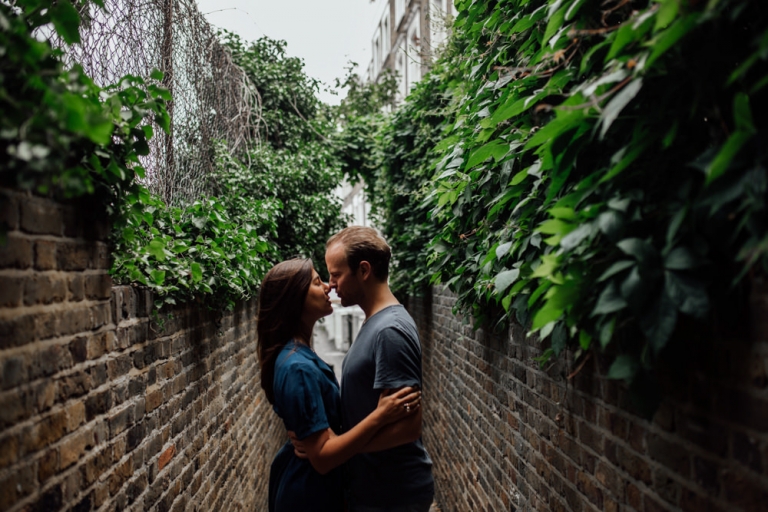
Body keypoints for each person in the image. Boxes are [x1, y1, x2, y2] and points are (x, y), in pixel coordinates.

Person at [257, 258, 422, 512]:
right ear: (295, 299)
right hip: (308, 494)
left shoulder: (299, 353)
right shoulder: (297, 367)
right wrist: (381, 415)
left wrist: (332, 439)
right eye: (317, 282)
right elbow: (323, 459)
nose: (327, 287)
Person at [326, 226, 435, 512]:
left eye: (336, 274)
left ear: (363, 270)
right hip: (375, 491)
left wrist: (340, 448)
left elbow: (407, 427)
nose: (330, 284)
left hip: (392, 495)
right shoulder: (375, 322)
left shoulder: (390, 331)